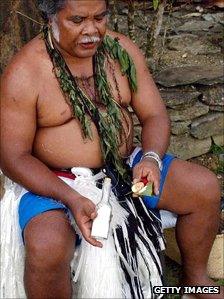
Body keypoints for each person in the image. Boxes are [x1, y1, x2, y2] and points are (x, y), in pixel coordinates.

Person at [0, 0, 222, 298]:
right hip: (57, 185)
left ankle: (194, 282)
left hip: (128, 176)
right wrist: (71, 197)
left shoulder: (120, 50)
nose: (91, 30)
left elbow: (154, 114)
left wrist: (153, 159)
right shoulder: (25, 71)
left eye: (100, 17)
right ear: (51, 17)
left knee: (202, 188)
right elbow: (13, 157)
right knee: (47, 244)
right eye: (77, 20)